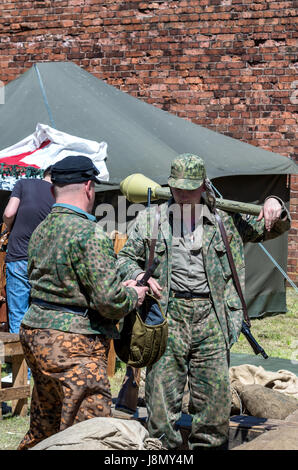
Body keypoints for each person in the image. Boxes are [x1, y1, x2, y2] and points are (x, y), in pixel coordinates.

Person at [116, 153, 291, 450]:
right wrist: (139, 275)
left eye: (191, 188)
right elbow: (123, 259)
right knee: (160, 402)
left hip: (213, 316)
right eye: (178, 188)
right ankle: (164, 451)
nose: (184, 194)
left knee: (213, 404)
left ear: (203, 186)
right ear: (170, 186)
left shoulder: (225, 220)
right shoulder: (152, 220)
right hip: (167, 316)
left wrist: (275, 203)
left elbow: (274, 226)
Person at [17, 155, 148, 450]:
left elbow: (57, 282)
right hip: (74, 345)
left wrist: (116, 287)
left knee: (46, 424)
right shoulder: (89, 234)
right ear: (89, 187)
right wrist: (133, 294)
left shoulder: (40, 230)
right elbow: (109, 301)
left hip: (35, 333)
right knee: (88, 433)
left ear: (54, 190)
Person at [3, 167, 54, 336]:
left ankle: (20, 361)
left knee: (18, 314)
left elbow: (9, 213)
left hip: (18, 255)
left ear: (44, 174)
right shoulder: (60, 194)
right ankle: (37, 360)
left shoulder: (23, 183)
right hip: (46, 261)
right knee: (41, 315)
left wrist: (10, 228)